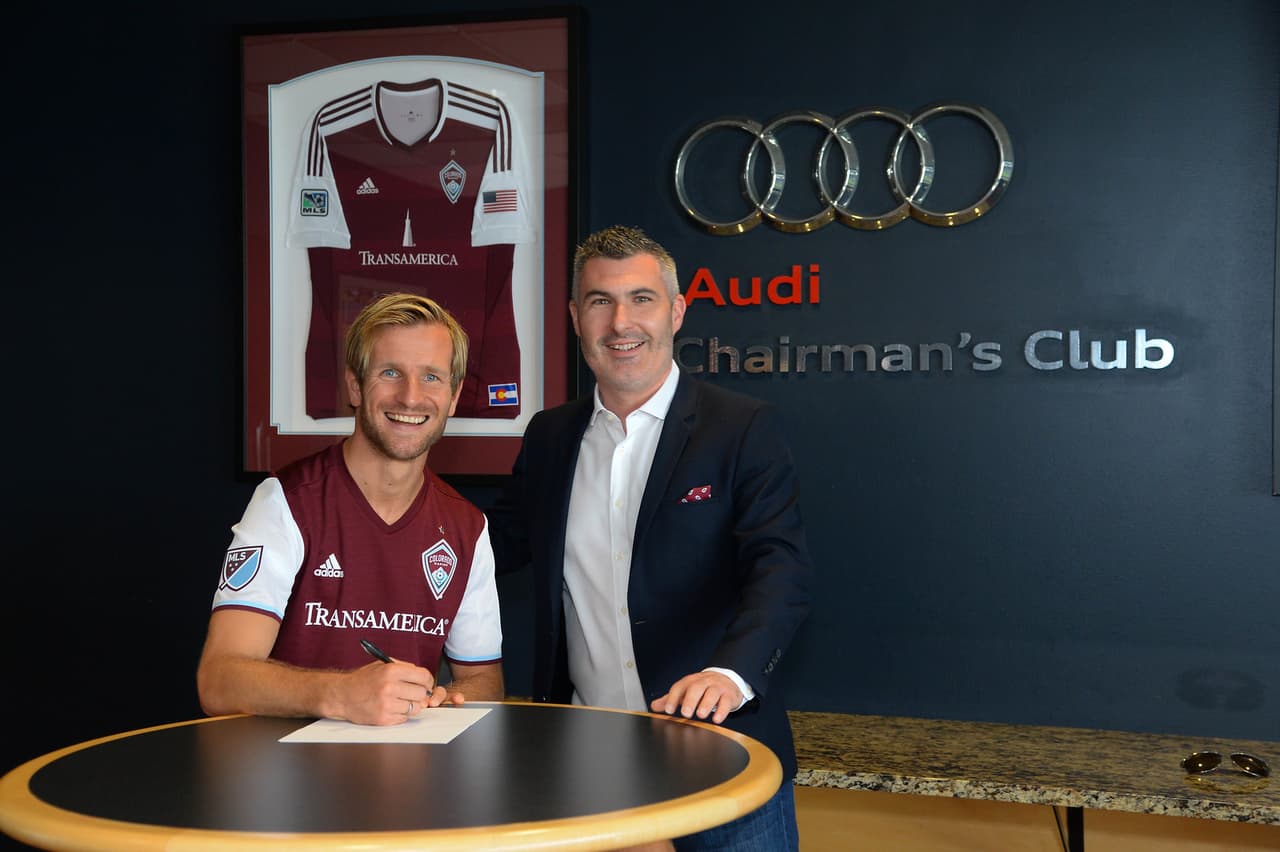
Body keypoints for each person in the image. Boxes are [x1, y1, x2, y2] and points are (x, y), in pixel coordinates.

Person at [487, 225, 812, 850]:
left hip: (723, 753)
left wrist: (730, 674)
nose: (620, 323)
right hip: (588, 761)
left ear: (677, 311)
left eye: (641, 299)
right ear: (575, 318)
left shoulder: (742, 427)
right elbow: (489, 549)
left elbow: (781, 570)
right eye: (600, 301)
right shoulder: (549, 436)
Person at [198, 293, 503, 724]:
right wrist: (342, 694)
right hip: (287, 764)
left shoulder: (467, 527)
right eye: (390, 372)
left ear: (453, 398)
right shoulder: (286, 502)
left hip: (407, 765)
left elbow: (483, 679)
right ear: (355, 386)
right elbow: (219, 680)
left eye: (432, 377)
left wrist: (445, 699)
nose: (411, 397)